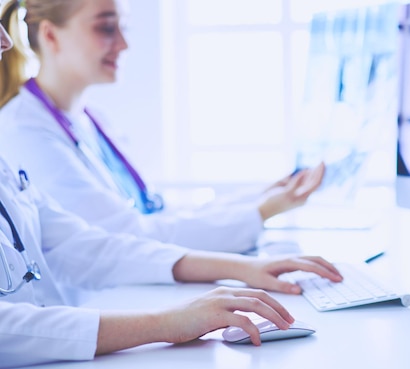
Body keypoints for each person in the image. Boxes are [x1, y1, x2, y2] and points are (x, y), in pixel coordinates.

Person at [0, 0, 325, 254]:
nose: (124, 44)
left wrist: (260, 196)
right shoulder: (24, 132)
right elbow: (127, 236)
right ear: (50, 35)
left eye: (124, 28)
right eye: (107, 28)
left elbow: (157, 213)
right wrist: (261, 211)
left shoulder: (90, 120)